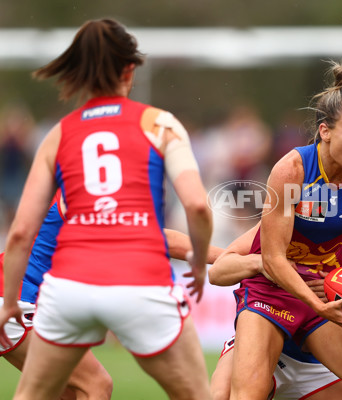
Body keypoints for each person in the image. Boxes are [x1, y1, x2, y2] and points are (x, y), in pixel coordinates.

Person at [0, 18, 213, 400]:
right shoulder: (159, 123)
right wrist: (198, 264)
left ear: (80, 74)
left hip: (67, 288)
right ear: (130, 70)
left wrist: (11, 301)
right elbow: (197, 205)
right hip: (140, 280)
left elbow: (20, 232)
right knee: (197, 394)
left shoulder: (59, 133)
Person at [229, 60, 342, 400]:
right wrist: (315, 302)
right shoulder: (292, 171)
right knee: (245, 395)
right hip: (272, 291)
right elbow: (274, 258)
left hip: (326, 289)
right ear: (325, 131)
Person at [206, 217, 342, 400]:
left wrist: (340, 293)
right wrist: (263, 262)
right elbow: (218, 272)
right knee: (222, 395)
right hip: (269, 325)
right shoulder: (292, 220)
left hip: (316, 357)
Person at [0, 190, 113, 400]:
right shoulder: (84, 192)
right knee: (95, 385)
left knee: (64, 394)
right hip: (16, 300)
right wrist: (194, 253)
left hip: (14, 297)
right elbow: (157, 239)